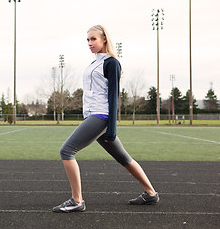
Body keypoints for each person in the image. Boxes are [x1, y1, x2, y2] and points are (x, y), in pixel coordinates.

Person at [52, 25, 159, 213]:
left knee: (66, 151)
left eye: (93, 39)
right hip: (93, 115)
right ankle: (151, 193)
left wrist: (112, 128)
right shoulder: (93, 64)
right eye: (87, 40)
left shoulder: (111, 63)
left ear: (104, 40)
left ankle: (77, 201)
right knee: (123, 157)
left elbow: (113, 96)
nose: (90, 43)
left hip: (101, 116)